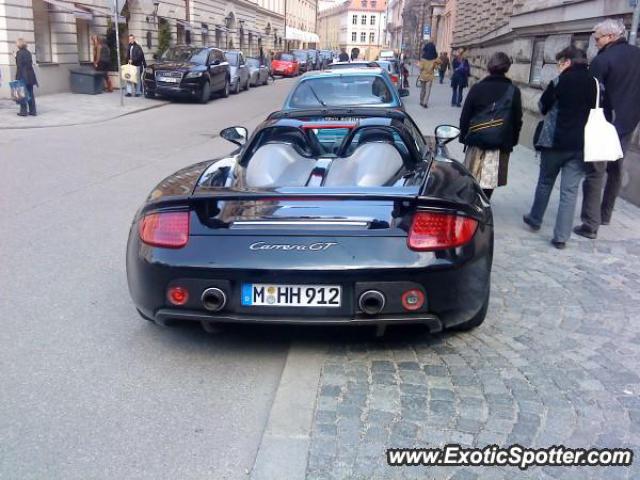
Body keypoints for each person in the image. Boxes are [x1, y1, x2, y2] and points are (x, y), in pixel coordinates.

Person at [523, 46, 597, 249]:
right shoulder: (596, 85)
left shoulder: (559, 81)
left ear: (567, 62)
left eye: (559, 62)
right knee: (569, 192)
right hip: (581, 144)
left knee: (545, 181)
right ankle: (561, 237)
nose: (558, 66)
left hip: (554, 142)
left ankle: (535, 218)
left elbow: (542, 106)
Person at [574, 19, 640, 239]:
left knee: (595, 173)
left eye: (598, 37)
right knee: (615, 170)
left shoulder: (602, 60)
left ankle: (590, 225)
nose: (595, 40)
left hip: (603, 123)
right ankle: (605, 214)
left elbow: (589, 95)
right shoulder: (637, 54)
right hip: (628, 122)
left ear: (611, 37)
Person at [459, 52, 522, 200]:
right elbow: (517, 119)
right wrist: (512, 141)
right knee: (490, 180)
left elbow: (465, 115)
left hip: (476, 140)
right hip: (499, 142)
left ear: (489, 67)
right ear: (506, 68)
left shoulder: (477, 88)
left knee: (472, 175)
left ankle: (472, 203)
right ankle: (484, 203)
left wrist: (463, 137)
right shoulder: (514, 91)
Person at [15, 38, 37, 117]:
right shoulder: (28, 53)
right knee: (30, 93)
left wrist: (17, 78)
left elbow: (19, 66)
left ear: (19, 44)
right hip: (30, 76)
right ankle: (33, 111)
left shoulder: (19, 53)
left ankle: (23, 111)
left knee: (22, 94)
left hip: (22, 76)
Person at [418, 42, 440, 108]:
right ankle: (425, 103)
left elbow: (421, 67)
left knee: (422, 89)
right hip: (430, 76)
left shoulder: (423, 59)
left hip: (423, 76)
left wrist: (420, 67)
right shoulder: (434, 59)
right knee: (428, 90)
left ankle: (421, 101)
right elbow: (436, 67)